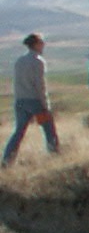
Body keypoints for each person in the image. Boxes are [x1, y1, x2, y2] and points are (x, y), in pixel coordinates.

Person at [3, 33, 60, 165]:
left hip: (20, 101)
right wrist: (46, 105)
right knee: (49, 129)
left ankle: (7, 160)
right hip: (35, 102)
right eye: (41, 43)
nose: (43, 45)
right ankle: (55, 155)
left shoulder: (19, 60)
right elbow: (40, 85)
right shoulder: (38, 61)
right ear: (36, 44)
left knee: (19, 132)